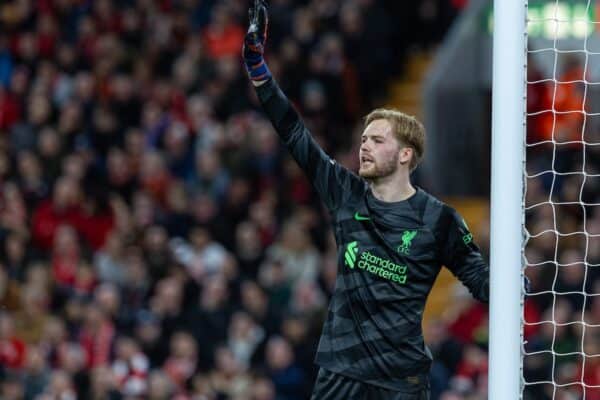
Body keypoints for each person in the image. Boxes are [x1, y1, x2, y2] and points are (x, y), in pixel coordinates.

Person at [242, 1, 489, 399]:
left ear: (406, 153)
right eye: (363, 140)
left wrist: (516, 287)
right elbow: (294, 135)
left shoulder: (439, 219)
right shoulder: (346, 193)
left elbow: (479, 280)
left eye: (377, 140)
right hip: (341, 372)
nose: (365, 148)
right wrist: (259, 72)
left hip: (400, 381)